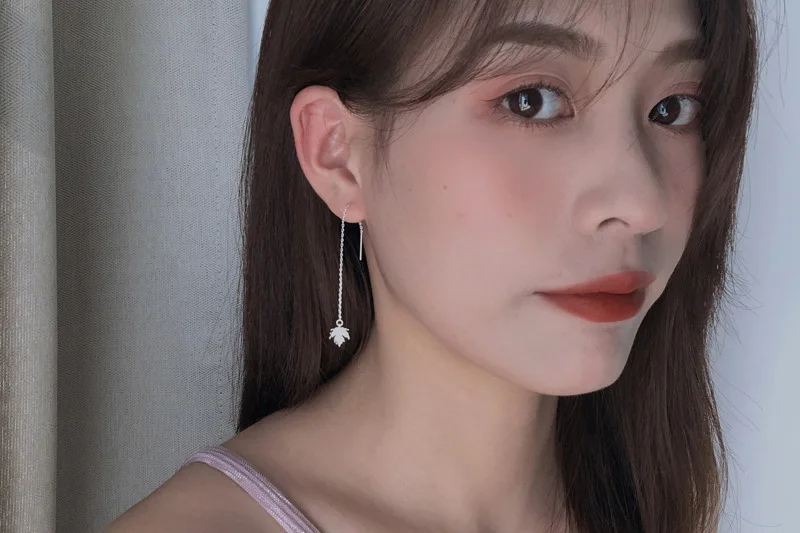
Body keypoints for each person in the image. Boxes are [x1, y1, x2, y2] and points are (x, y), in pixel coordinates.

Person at [108, 0, 758, 531]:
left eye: (674, 109)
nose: (641, 203)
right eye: (532, 101)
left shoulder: (656, 500)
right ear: (338, 155)